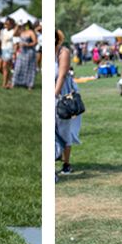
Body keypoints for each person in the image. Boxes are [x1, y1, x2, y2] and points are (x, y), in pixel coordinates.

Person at [55, 30, 80, 174]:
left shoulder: (63, 52)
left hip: (62, 94)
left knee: (64, 129)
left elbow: (62, 75)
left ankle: (66, 163)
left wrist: (54, 96)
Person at [12, 21, 39, 89]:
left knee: (29, 68)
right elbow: (14, 34)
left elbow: (35, 42)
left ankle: (29, 84)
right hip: (22, 52)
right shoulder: (22, 32)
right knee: (18, 67)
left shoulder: (31, 32)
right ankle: (15, 82)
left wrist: (27, 44)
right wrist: (17, 25)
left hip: (29, 52)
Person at [0, 17, 17, 89]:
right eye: (5, 23)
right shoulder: (3, 31)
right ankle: (10, 79)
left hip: (9, 50)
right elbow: (1, 39)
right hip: (3, 49)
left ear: (11, 24)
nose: (6, 25)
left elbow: (16, 43)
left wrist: (14, 52)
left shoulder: (13, 31)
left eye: (7, 23)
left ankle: (4, 84)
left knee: (5, 67)